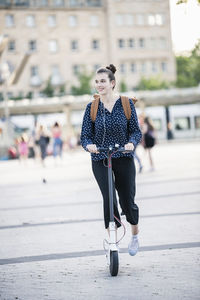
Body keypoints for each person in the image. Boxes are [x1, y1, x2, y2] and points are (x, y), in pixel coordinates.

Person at [81, 64, 142, 256]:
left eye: (103, 81)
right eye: (97, 82)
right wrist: (88, 145)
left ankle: (134, 235)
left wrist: (131, 143)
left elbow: (135, 131)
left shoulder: (125, 103)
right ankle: (112, 241)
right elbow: (84, 135)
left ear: (112, 83)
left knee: (127, 199)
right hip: (100, 157)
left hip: (123, 156)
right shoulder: (92, 107)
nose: (99, 85)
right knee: (108, 198)